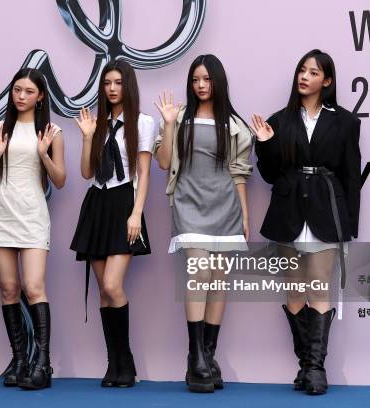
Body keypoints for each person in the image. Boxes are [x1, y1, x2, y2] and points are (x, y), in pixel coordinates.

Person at [251, 49, 361, 395]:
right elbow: (269, 174)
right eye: (302, 70)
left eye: (313, 73)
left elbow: (351, 176)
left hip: (327, 212)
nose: (305, 76)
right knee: (294, 289)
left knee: (318, 286)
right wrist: (266, 143)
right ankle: (306, 365)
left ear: (326, 81)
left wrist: (349, 224)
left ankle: (315, 368)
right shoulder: (280, 120)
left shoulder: (344, 121)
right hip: (288, 212)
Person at [153, 54, 253, 393]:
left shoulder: (235, 125)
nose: (200, 85)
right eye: (196, 79)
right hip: (189, 204)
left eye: (207, 79)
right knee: (198, 271)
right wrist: (167, 124)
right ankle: (195, 355)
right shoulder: (180, 118)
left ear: (218, 82)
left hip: (225, 207)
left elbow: (239, 175)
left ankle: (208, 357)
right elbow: (164, 162)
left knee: (219, 279)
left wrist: (245, 216)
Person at [70, 60, 156, 388]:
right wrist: (88, 137)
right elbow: (86, 173)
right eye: (107, 83)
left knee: (111, 286)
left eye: (118, 82)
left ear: (128, 85)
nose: (112, 88)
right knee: (104, 295)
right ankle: (114, 363)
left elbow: (145, 172)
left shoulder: (143, 122)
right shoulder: (99, 123)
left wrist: (136, 213)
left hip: (124, 202)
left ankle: (126, 358)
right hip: (96, 203)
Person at [0, 68, 66, 390]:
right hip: (1, 211)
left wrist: (43, 154)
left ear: (40, 96)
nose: (21, 96)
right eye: (17, 89)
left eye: (28, 91)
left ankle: (42, 364)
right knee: (8, 288)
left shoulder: (52, 132)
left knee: (33, 287)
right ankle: (19, 360)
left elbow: (59, 180)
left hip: (32, 213)